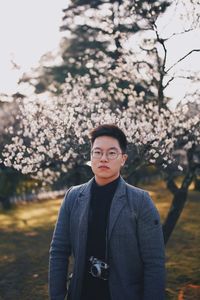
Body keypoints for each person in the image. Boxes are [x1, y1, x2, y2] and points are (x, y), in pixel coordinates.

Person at [49, 124, 166, 300]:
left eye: (111, 153)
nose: (103, 158)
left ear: (123, 159)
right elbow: (58, 251)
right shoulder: (73, 197)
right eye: (97, 152)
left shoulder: (140, 201)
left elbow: (154, 263)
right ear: (91, 157)